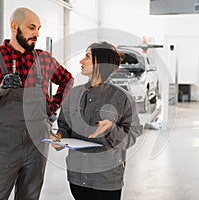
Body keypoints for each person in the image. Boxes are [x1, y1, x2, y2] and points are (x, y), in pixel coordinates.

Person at [0, 7, 73, 200]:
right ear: (14, 26)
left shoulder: (43, 59)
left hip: (38, 142)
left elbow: (67, 80)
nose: (37, 34)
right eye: (31, 27)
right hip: (6, 143)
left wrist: (52, 107)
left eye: (39, 28)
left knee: (30, 196)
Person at [51, 41, 142, 200]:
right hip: (77, 176)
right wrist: (59, 137)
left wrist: (111, 130)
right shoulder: (73, 94)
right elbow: (64, 126)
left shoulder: (122, 98)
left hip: (105, 179)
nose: (81, 61)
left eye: (87, 56)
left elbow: (132, 136)